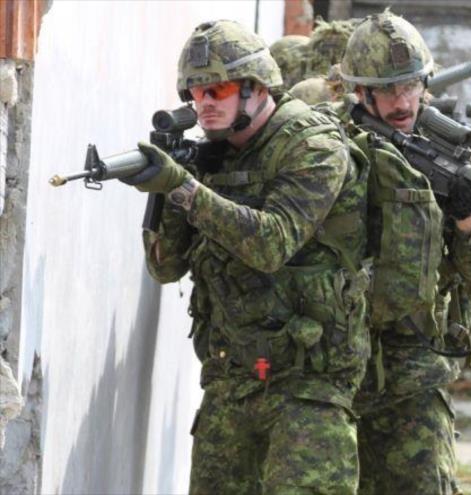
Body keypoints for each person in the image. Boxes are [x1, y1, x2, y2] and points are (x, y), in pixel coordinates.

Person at [122, 20, 370, 494]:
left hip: (308, 382)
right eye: (194, 93)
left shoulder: (313, 144)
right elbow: (165, 266)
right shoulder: (214, 155)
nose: (204, 103)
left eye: (217, 89)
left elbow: (273, 244)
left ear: (256, 87)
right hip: (231, 375)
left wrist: (184, 188)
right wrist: (168, 190)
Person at [336, 11, 471, 495]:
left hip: (414, 374)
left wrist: (467, 214)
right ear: (361, 92)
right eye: (388, 90)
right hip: (335, 370)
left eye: (411, 86)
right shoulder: (331, 146)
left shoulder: (443, 150)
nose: (402, 101)